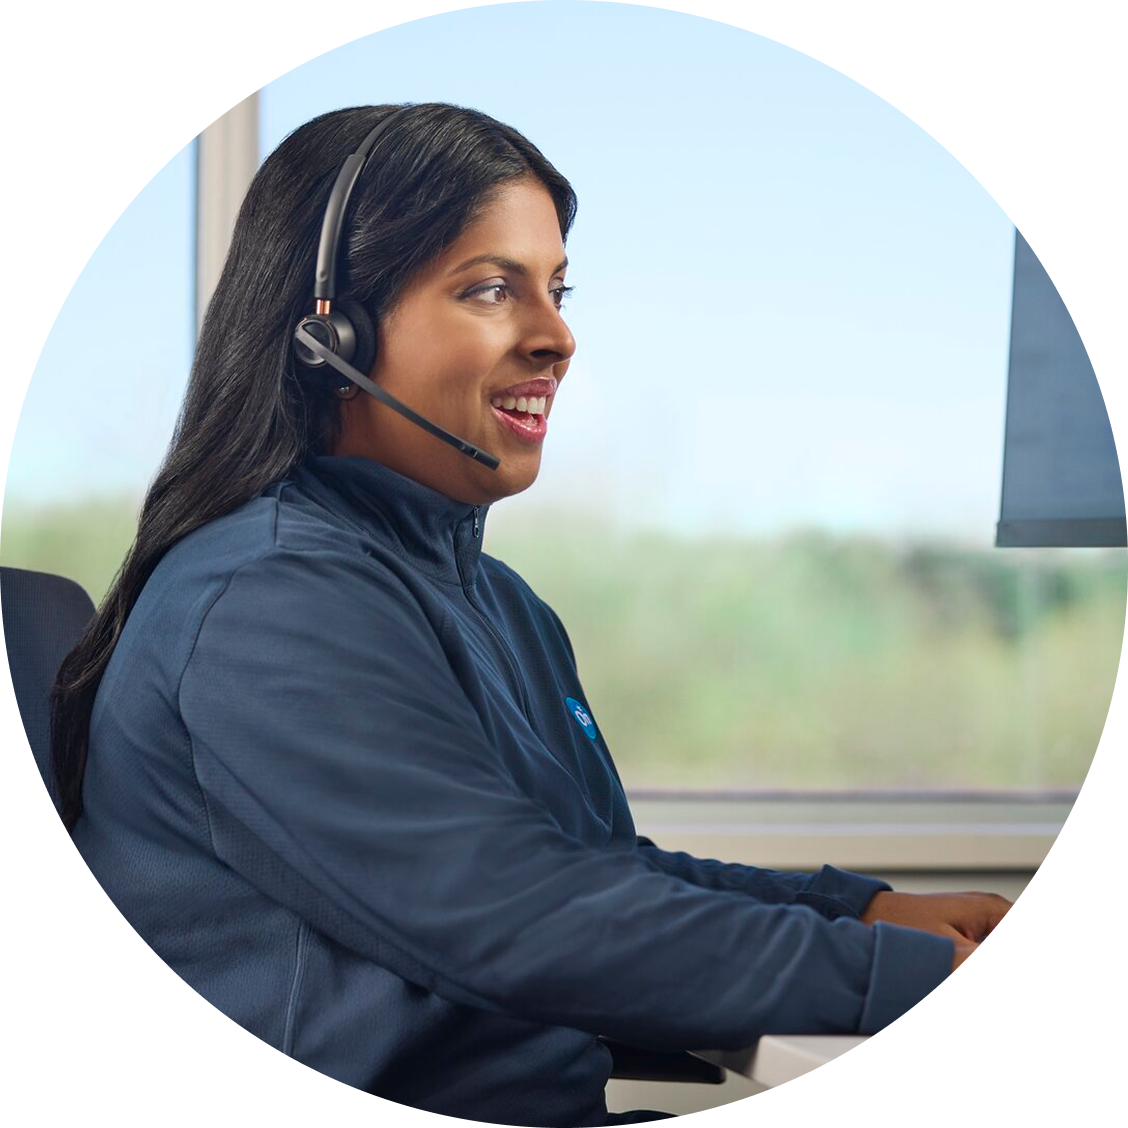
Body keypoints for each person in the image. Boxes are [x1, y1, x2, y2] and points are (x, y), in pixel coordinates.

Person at [51, 103, 1009, 1126]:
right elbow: (518, 915)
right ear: (332, 334)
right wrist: (890, 976)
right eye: (492, 289)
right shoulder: (267, 601)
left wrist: (855, 910)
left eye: (556, 289)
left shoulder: (495, 601)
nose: (557, 337)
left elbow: (593, 872)